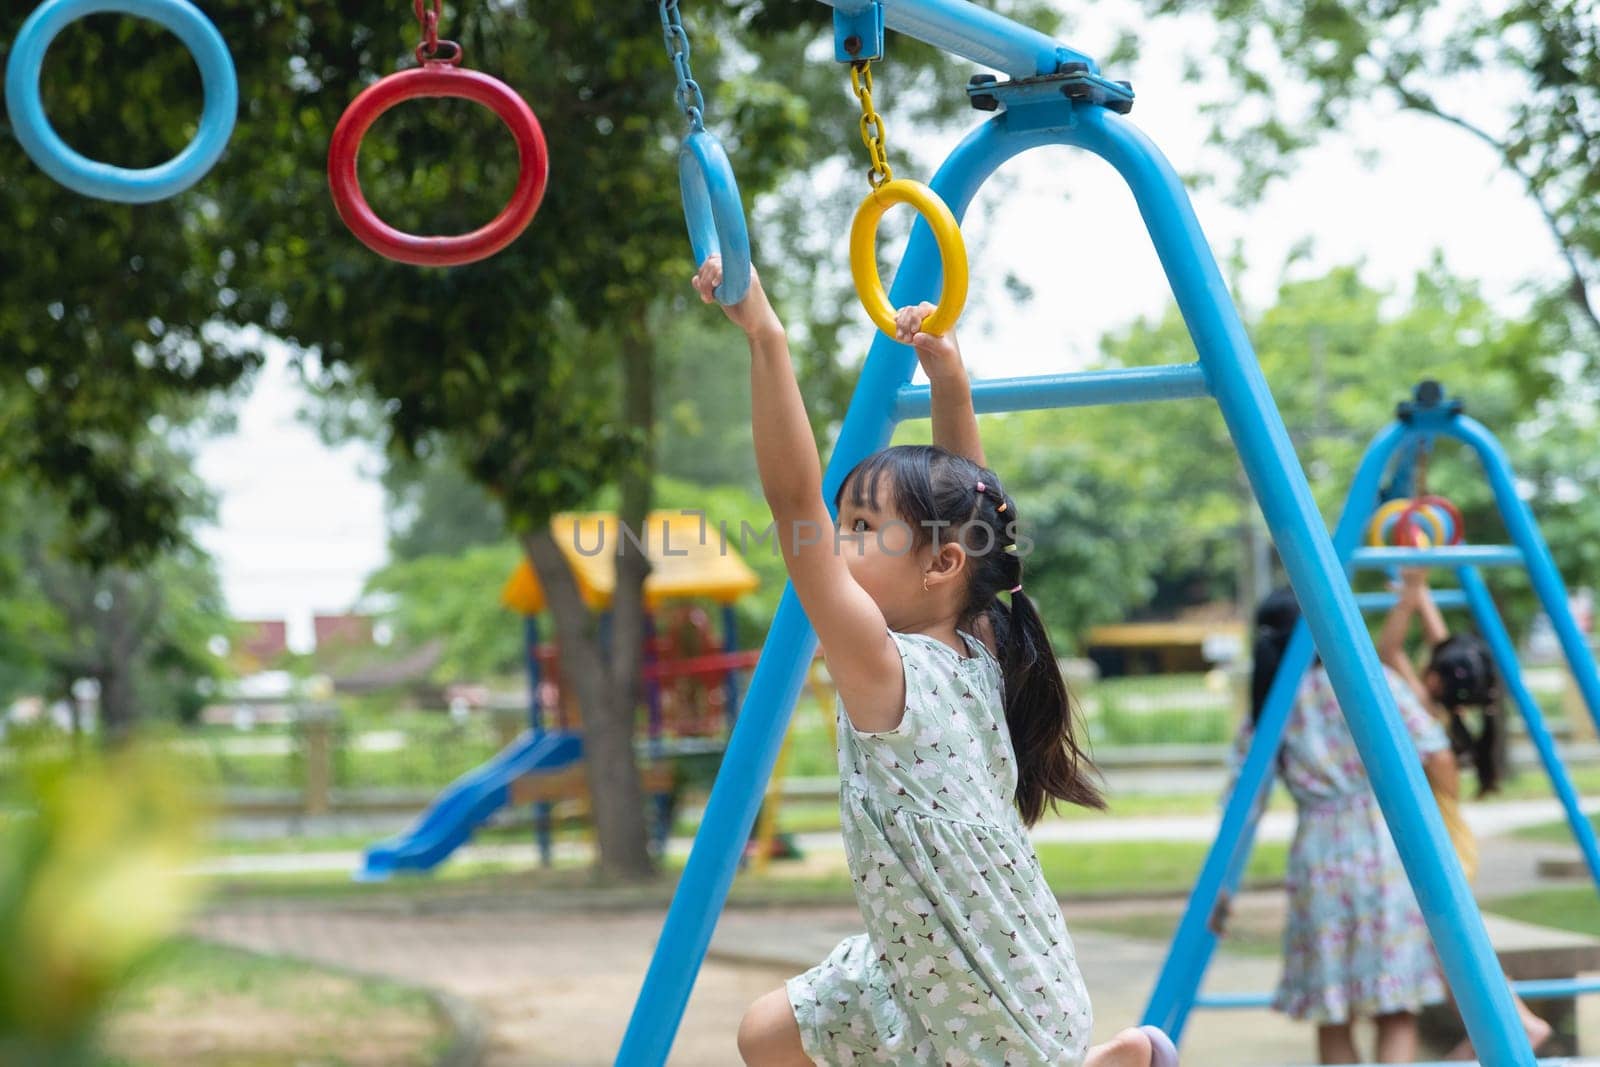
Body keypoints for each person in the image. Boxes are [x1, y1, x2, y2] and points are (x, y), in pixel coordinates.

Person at [693, 257, 1176, 1067]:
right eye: (841, 522)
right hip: (915, 953)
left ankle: (1099, 1063)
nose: (836, 541)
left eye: (857, 526)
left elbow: (792, 506)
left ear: (942, 565)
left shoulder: (885, 670)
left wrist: (766, 337)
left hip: (990, 989)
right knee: (769, 1035)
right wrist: (947, 379)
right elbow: (968, 508)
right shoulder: (973, 645)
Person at [1223, 587, 1452, 1064]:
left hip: (1318, 855)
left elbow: (1244, 803)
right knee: (1395, 1009)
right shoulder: (1368, 682)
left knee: (1334, 1010)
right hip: (1384, 845)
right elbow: (1433, 746)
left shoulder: (1269, 706)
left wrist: (1223, 887)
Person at [1377, 569, 1551, 1058]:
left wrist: (1408, 601)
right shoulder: (1452, 715)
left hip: (1441, 852)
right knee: (1452, 956)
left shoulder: (1422, 715)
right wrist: (1421, 598)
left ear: (1432, 678)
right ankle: (1514, 1023)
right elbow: (1455, 659)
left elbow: (1387, 655)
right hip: (1454, 845)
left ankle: (1518, 1023)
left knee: (1454, 960)